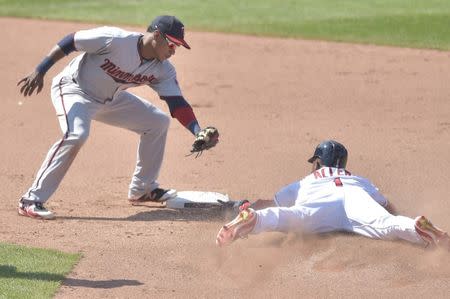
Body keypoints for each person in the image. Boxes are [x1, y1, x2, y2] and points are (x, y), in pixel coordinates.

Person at [17, 15, 216, 220]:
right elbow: (72, 41)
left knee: (157, 122)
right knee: (76, 134)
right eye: (172, 44)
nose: (174, 51)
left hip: (110, 99)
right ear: (157, 35)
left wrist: (197, 131)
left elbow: (177, 103)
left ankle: (143, 189)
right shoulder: (115, 39)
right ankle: (30, 200)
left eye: (178, 47)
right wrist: (40, 70)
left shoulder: (163, 69)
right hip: (74, 89)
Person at [216, 140, 450, 251]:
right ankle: (418, 227)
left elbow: (270, 202)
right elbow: (388, 206)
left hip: (320, 206)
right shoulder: (358, 179)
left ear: (318, 162)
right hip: (355, 198)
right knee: (387, 225)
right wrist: (398, 217)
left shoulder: (307, 180)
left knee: (285, 216)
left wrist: (249, 206)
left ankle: (254, 220)